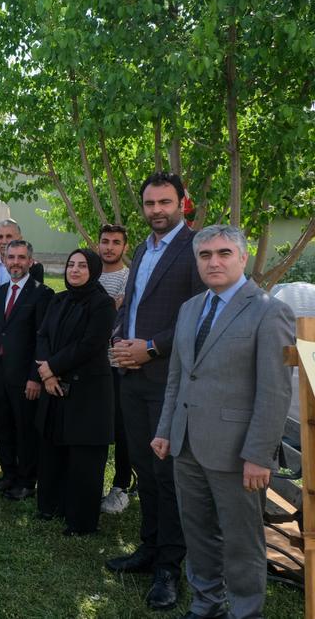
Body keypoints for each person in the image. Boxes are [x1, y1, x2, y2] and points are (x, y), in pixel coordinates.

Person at [152, 225, 293, 619]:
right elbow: (178, 378)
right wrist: (165, 431)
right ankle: (206, 604)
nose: (213, 261)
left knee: (241, 541)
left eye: (223, 253)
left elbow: (275, 392)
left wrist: (259, 455)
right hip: (186, 445)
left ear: (243, 257)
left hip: (237, 452)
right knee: (197, 534)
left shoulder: (269, 310)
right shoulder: (190, 308)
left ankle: (246, 612)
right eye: (205, 255)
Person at [106, 173, 205, 612]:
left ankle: (170, 567)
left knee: (167, 475)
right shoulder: (144, 248)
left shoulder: (198, 248)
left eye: (165, 202)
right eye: (149, 203)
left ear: (182, 203)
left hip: (168, 377)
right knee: (145, 468)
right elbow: (130, 304)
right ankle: (147, 549)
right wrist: (118, 339)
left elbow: (200, 316)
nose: (156, 210)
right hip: (131, 376)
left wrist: (150, 348)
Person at [34, 249, 116, 535]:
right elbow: (42, 335)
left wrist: (50, 368)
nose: (75, 270)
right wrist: (47, 373)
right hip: (54, 386)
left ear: (94, 270)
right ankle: (51, 506)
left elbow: (89, 345)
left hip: (87, 390)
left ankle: (80, 521)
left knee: (84, 458)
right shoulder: (58, 299)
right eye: (71, 265)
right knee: (53, 447)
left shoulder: (103, 304)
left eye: (82, 266)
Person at [0, 240, 53, 500]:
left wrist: (36, 377)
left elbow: (43, 339)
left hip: (24, 378)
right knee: (2, 427)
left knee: (25, 430)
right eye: (11, 257)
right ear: (5, 260)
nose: (16, 262)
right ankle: (8, 474)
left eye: (21, 257)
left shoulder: (42, 294)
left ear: (30, 261)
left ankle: (26, 480)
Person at [97, 223, 133, 515]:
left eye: (116, 242)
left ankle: (122, 485)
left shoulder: (129, 279)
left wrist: (104, 305)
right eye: (105, 241)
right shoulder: (89, 272)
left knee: (122, 429)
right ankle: (91, 483)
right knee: (94, 427)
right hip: (89, 364)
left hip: (117, 364)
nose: (109, 247)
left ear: (125, 247)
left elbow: (119, 313)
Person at [0, 220, 44, 285]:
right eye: (0, 237)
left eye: (9, 236)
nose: (4, 241)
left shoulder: (34, 268)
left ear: (20, 239)